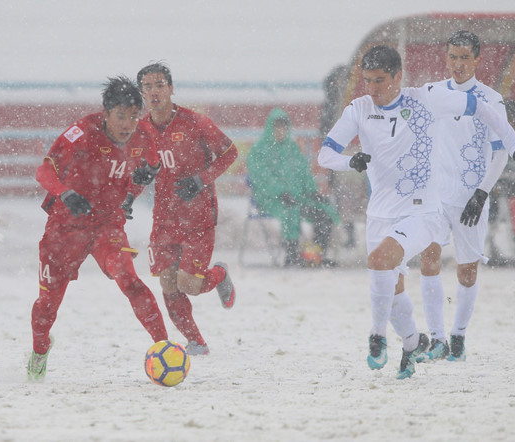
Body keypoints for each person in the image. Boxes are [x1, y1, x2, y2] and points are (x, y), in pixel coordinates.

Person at [318, 45, 515, 379]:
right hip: (381, 213)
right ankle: (413, 342)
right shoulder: (359, 108)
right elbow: (325, 155)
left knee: (383, 261)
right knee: (391, 286)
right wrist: (350, 161)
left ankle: (382, 336)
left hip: (423, 211)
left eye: (380, 81)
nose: (372, 89)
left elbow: (485, 111)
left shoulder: (427, 99)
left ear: (398, 77)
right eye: (367, 81)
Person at [28, 76, 169, 380]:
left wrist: (135, 190)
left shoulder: (143, 135)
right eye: (121, 115)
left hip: (107, 224)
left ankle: (164, 347)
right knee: (47, 306)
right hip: (65, 227)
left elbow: (150, 166)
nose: (128, 124)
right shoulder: (80, 133)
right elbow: (44, 169)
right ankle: (40, 349)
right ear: (105, 113)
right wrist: (64, 193)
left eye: (133, 115)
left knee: (129, 279)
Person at [416, 31, 515, 364]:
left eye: (465, 57)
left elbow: (500, 153)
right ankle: (437, 338)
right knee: (428, 259)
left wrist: (481, 194)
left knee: (466, 270)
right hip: (436, 196)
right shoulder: (434, 93)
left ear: (477, 59)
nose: (458, 64)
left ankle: (458, 337)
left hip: (471, 198)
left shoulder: (490, 99)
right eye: (452, 57)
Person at [136, 62, 238, 356]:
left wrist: (200, 180)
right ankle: (197, 342)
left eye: (159, 85)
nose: (154, 92)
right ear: (142, 92)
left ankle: (219, 274)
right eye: (148, 87)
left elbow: (229, 152)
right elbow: (137, 169)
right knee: (168, 283)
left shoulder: (195, 122)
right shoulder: (141, 129)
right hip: (164, 219)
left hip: (198, 218)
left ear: (171, 88)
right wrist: (133, 188)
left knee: (189, 285)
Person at [246, 108, 340, 266]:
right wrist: (280, 193)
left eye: (283, 127)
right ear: (270, 127)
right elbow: (262, 178)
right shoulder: (258, 150)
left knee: (324, 211)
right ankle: (291, 256)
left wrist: (312, 192)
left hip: (298, 197)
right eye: (277, 127)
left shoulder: (292, 148)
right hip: (271, 199)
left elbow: (304, 173)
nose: (280, 131)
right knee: (290, 212)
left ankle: (316, 256)